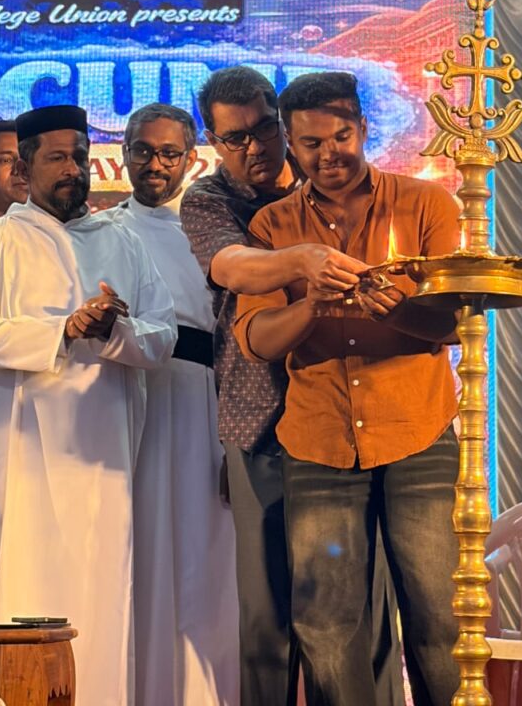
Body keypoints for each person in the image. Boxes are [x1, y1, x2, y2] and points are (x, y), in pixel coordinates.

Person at [233, 71, 462, 706]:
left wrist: (397, 310)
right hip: (318, 444)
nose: (329, 154)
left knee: (440, 617)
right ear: (289, 143)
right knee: (326, 624)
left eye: (341, 137)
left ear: (363, 128)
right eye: (310, 143)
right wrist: (310, 305)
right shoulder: (272, 227)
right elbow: (255, 340)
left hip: (418, 432)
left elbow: (457, 322)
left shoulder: (426, 205)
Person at [181, 66, 402, 706]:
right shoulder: (208, 201)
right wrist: (305, 259)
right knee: (269, 614)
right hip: (260, 422)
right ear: (213, 143)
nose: (254, 148)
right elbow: (233, 267)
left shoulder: (330, 180)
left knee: (363, 604)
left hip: (348, 416)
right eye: (234, 139)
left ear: (283, 125)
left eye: (263, 130)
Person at [0, 104, 177, 706]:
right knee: (15, 591)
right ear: (24, 169)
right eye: (58, 158)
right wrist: (61, 331)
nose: (74, 168)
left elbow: (163, 336)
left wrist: (113, 331)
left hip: (102, 465)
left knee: (102, 601)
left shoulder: (121, 240)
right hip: (15, 463)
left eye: (79, 156)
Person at [107, 102, 239, 706]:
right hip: (130, 399)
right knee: (138, 551)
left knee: (202, 551)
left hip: (199, 402)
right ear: (125, 154)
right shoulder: (103, 231)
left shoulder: (212, 232)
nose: (154, 165)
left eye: (169, 153)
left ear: (191, 160)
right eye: (143, 151)